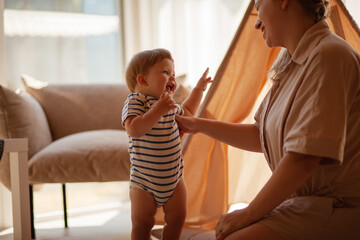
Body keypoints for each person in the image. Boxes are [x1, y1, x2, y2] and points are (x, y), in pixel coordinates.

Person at [175, 0, 360, 239]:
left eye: (259, 5)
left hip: (338, 209)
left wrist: (248, 213)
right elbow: (259, 135)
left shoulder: (330, 55)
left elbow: (303, 158)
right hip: (307, 205)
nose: (257, 22)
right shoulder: (291, 61)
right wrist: (197, 125)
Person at [122, 48, 212, 240]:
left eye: (173, 74)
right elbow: (134, 129)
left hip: (174, 179)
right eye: (165, 72)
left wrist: (199, 90)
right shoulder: (136, 101)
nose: (173, 78)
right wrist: (158, 110)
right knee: (142, 223)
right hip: (143, 182)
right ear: (143, 81)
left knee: (178, 217)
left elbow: (187, 111)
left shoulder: (169, 105)